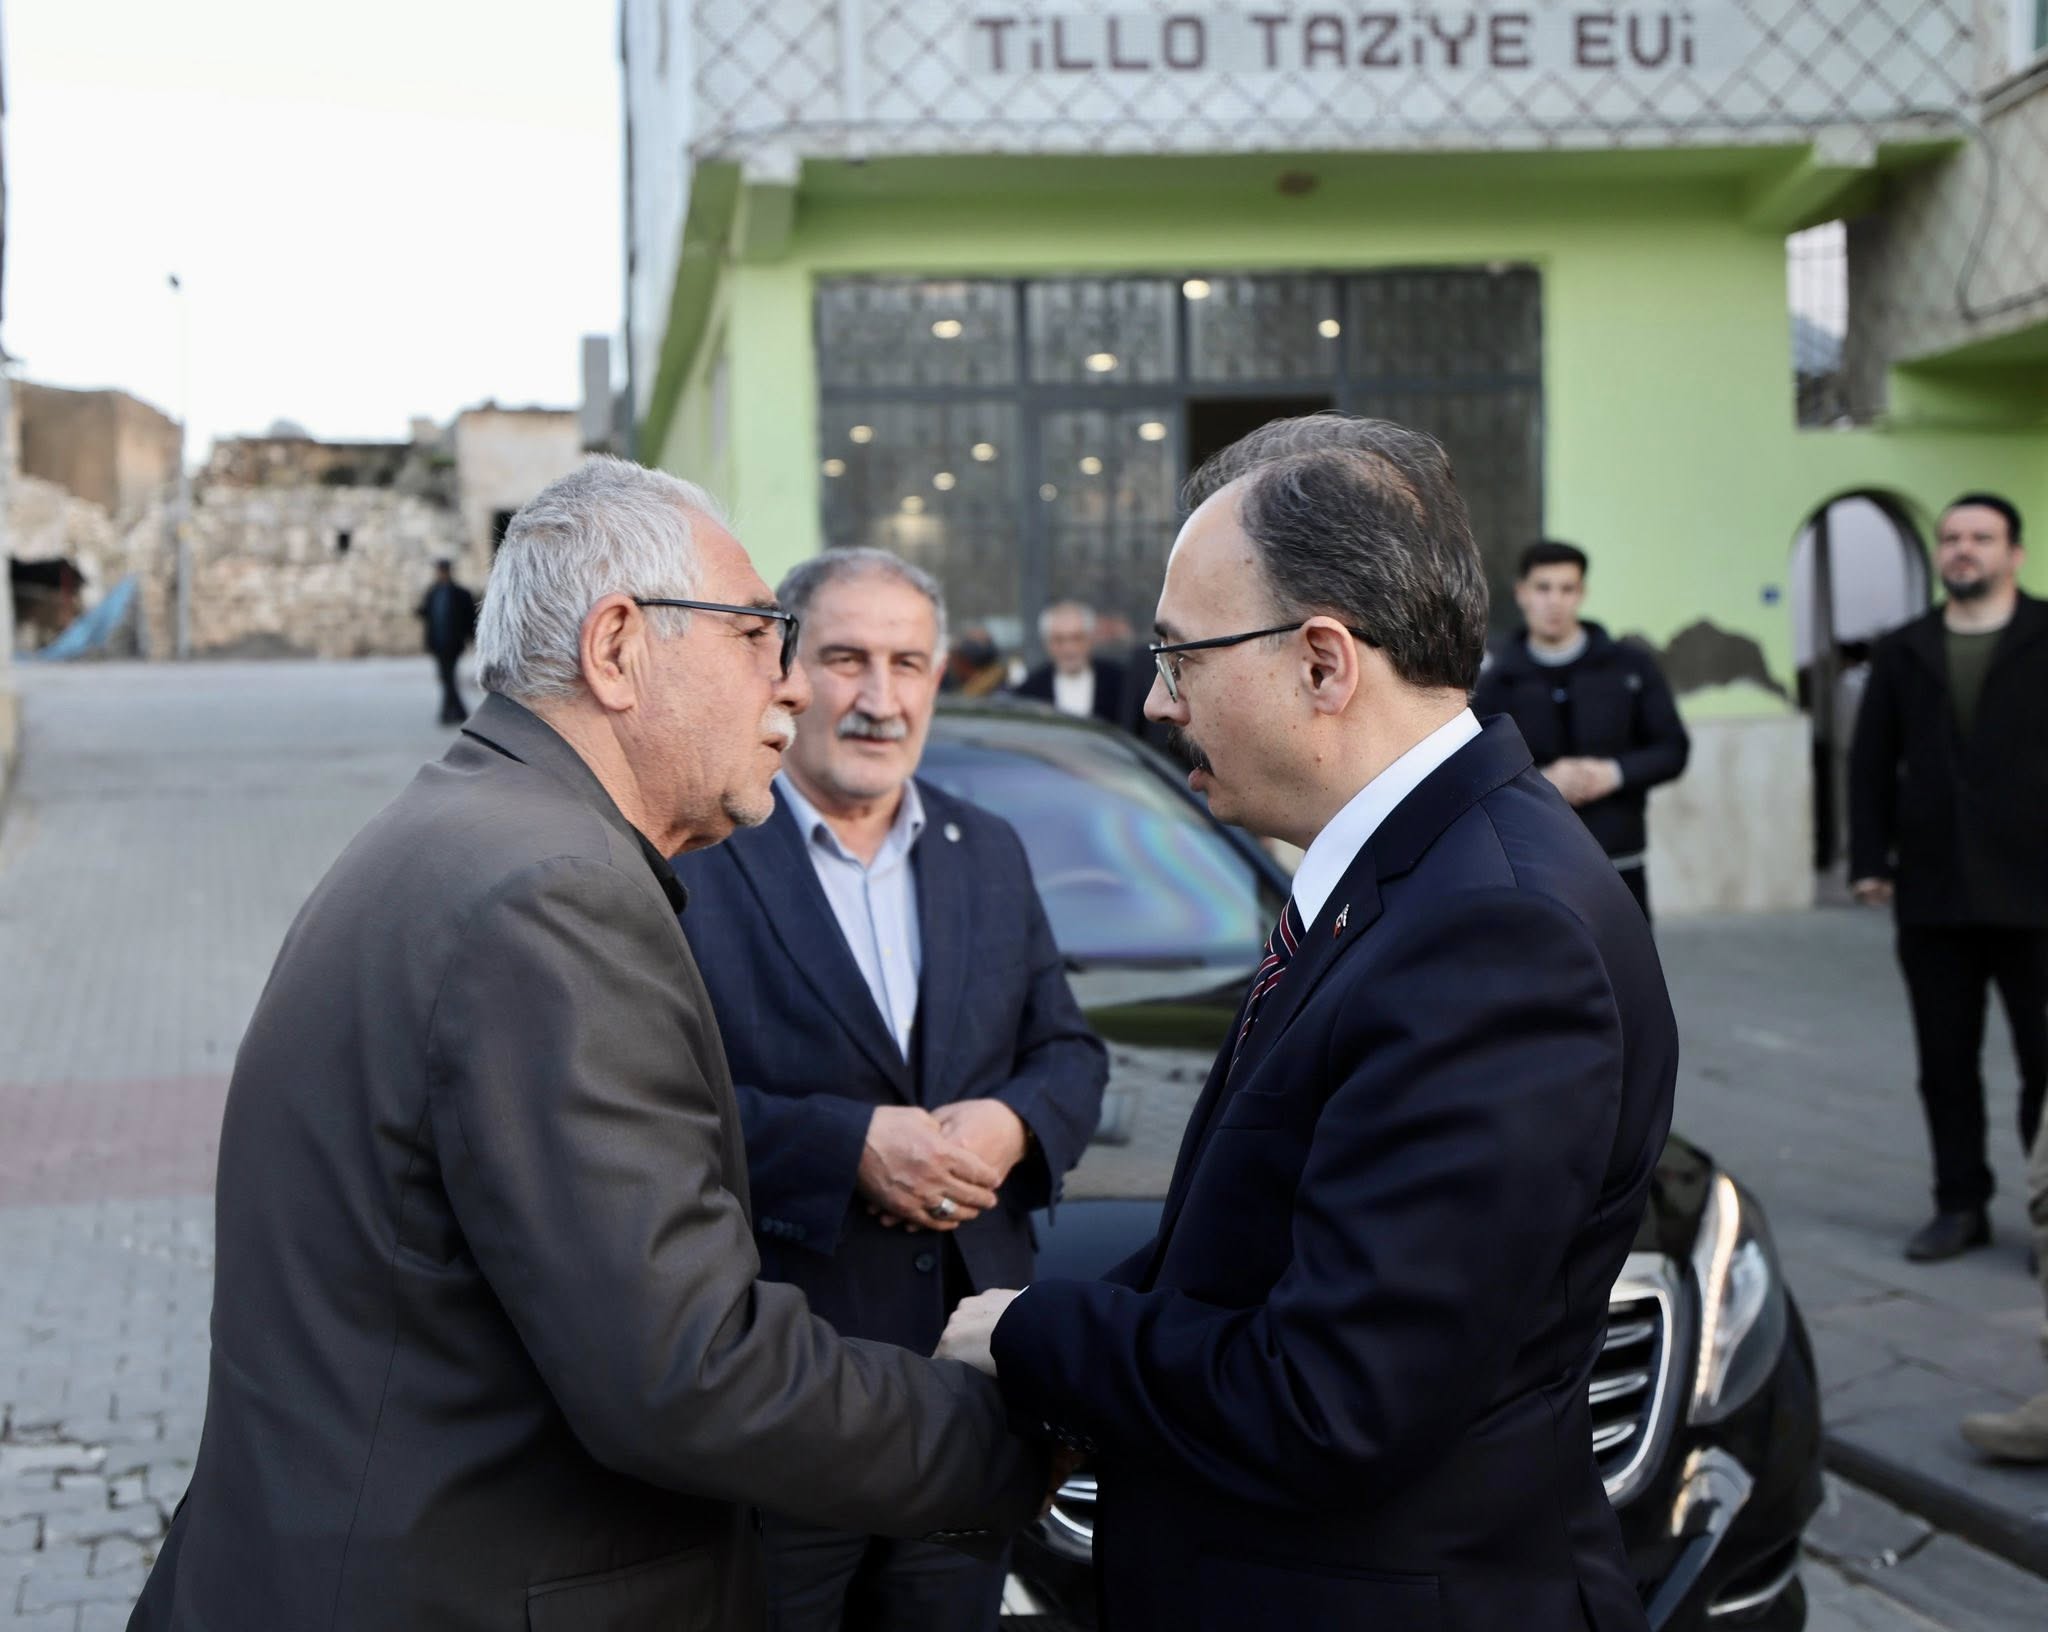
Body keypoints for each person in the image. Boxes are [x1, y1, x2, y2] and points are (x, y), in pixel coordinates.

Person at [127, 459, 1046, 1632]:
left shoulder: (476, 826)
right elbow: (687, 1372)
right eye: (757, 635)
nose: (789, 686)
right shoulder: (552, 891)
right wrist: (1011, 1436)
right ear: (616, 648)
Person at [938, 414, 1678, 1632]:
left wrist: (1038, 1335)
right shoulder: (1417, 872)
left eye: (1179, 657)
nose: (1158, 702)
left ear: (1324, 665)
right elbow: (1240, 1254)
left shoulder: (1490, 929)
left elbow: (1337, 1398)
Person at [670, 547, 1107, 1632]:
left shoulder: (986, 849)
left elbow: (1069, 1052)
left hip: (965, 1398)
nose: (880, 698)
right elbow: (659, 1109)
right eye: (846, 660)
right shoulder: (700, 858)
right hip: (781, 1399)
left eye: (908, 664)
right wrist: (846, 1146)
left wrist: (1012, 1123)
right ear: (785, 671)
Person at [1848, 492, 2048, 1264]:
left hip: (2036, 890)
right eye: (1952, 537)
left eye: (1981, 537)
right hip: (1935, 890)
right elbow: (1870, 763)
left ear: (2014, 553)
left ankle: (2045, 1212)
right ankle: (1959, 1204)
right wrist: (1870, 860)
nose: (1963, 549)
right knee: (1944, 1063)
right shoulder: (1905, 648)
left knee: (2043, 1062)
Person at [1471, 540, 1690, 919]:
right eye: (1543, 588)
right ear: (1522, 593)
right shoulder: (1495, 680)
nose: (1554, 601)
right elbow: (1475, 764)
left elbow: (1672, 749)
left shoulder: (1630, 666)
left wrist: (1612, 773)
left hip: (1619, 862)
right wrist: (1542, 781)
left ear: (1581, 593)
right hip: (1532, 866)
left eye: (1567, 588)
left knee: (1627, 958)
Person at [1011, 600, 1128, 724]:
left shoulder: (1120, 682)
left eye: (1077, 638)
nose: (1068, 649)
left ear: (1090, 638)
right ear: (1047, 643)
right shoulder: (1030, 690)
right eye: (1059, 640)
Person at [417, 558, 479, 724]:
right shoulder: (433, 593)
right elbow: (427, 613)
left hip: (453, 643)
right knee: (445, 677)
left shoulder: (460, 594)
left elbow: (469, 618)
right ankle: (454, 711)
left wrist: (472, 639)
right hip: (438, 643)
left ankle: (450, 711)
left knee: (448, 676)